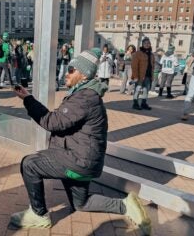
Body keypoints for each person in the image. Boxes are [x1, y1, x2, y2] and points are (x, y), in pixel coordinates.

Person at [9, 48, 151, 235]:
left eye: (71, 70)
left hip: (79, 162)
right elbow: (60, 121)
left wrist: (28, 100)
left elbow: (52, 122)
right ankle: (126, 205)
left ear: (83, 74)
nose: (66, 73)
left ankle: (39, 214)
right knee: (81, 203)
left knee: (30, 164)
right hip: (84, 161)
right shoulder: (85, 94)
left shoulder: (85, 97)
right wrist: (28, 97)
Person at [131, 37, 155, 110]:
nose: (147, 45)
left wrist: (152, 76)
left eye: (148, 43)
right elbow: (134, 66)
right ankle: (135, 103)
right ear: (142, 44)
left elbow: (152, 66)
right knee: (137, 89)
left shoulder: (151, 54)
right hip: (139, 76)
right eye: (145, 43)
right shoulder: (138, 53)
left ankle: (143, 103)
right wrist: (135, 76)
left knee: (146, 90)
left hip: (148, 75)